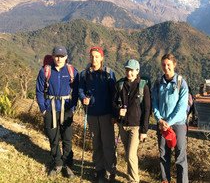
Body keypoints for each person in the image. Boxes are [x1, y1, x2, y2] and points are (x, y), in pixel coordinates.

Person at [36, 45, 78, 178]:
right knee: (53, 138)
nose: (59, 59)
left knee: (67, 139)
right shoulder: (45, 71)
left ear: (66, 57)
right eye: (56, 56)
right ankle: (58, 163)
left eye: (62, 56)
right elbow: (39, 91)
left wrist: (72, 108)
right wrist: (43, 108)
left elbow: (76, 91)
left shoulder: (72, 71)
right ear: (53, 56)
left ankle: (68, 165)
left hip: (66, 110)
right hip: (50, 109)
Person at [78, 46, 117, 182]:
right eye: (92, 56)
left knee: (108, 144)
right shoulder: (84, 74)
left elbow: (114, 94)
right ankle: (99, 169)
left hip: (106, 114)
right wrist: (83, 98)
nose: (94, 59)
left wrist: (114, 115)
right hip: (92, 114)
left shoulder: (108, 73)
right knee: (96, 143)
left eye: (96, 56)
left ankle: (110, 170)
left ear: (101, 58)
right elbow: (80, 89)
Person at [152, 53, 189, 183]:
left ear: (174, 64)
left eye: (168, 64)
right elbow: (154, 103)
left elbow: (182, 107)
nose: (166, 67)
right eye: (163, 65)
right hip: (162, 123)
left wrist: (169, 122)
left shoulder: (181, 83)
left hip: (178, 123)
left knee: (180, 154)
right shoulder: (158, 83)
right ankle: (165, 180)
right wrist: (159, 119)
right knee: (163, 154)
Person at [113, 59, 151, 183]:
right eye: (127, 70)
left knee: (130, 155)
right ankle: (130, 176)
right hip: (122, 125)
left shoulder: (143, 87)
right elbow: (113, 103)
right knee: (128, 154)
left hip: (136, 126)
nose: (129, 73)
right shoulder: (120, 85)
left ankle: (134, 180)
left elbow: (147, 109)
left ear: (137, 71)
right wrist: (118, 110)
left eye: (132, 70)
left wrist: (144, 130)